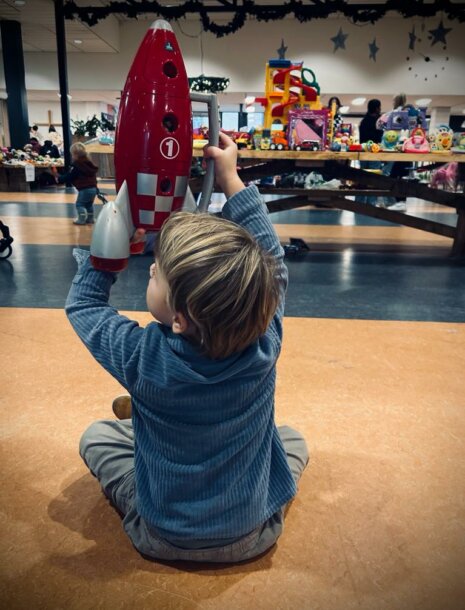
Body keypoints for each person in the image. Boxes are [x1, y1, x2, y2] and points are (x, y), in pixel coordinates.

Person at [66, 132, 309, 563]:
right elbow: (274, 264)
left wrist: (106, 257)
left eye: (157, 274)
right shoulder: (265, 343)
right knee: (291, 439)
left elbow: (84, 306)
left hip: (160, 534)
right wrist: (231, 179)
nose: (151, 270)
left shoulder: (140, 357)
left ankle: (142, 412)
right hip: (253, 532)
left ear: (179, 319)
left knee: (97, 436)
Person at [57, 142, 98, 225]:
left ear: (75, 155)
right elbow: (94, 178)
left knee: (80, 204)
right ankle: (90, 219)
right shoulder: (89, 164)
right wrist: (96, 188)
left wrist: (60, 179)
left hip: (84, 189)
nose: (72, 156)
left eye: (72, 154)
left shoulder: (76, 165)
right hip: (93, 188)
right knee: (89, 204)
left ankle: (81, 219)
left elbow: (70, 176)